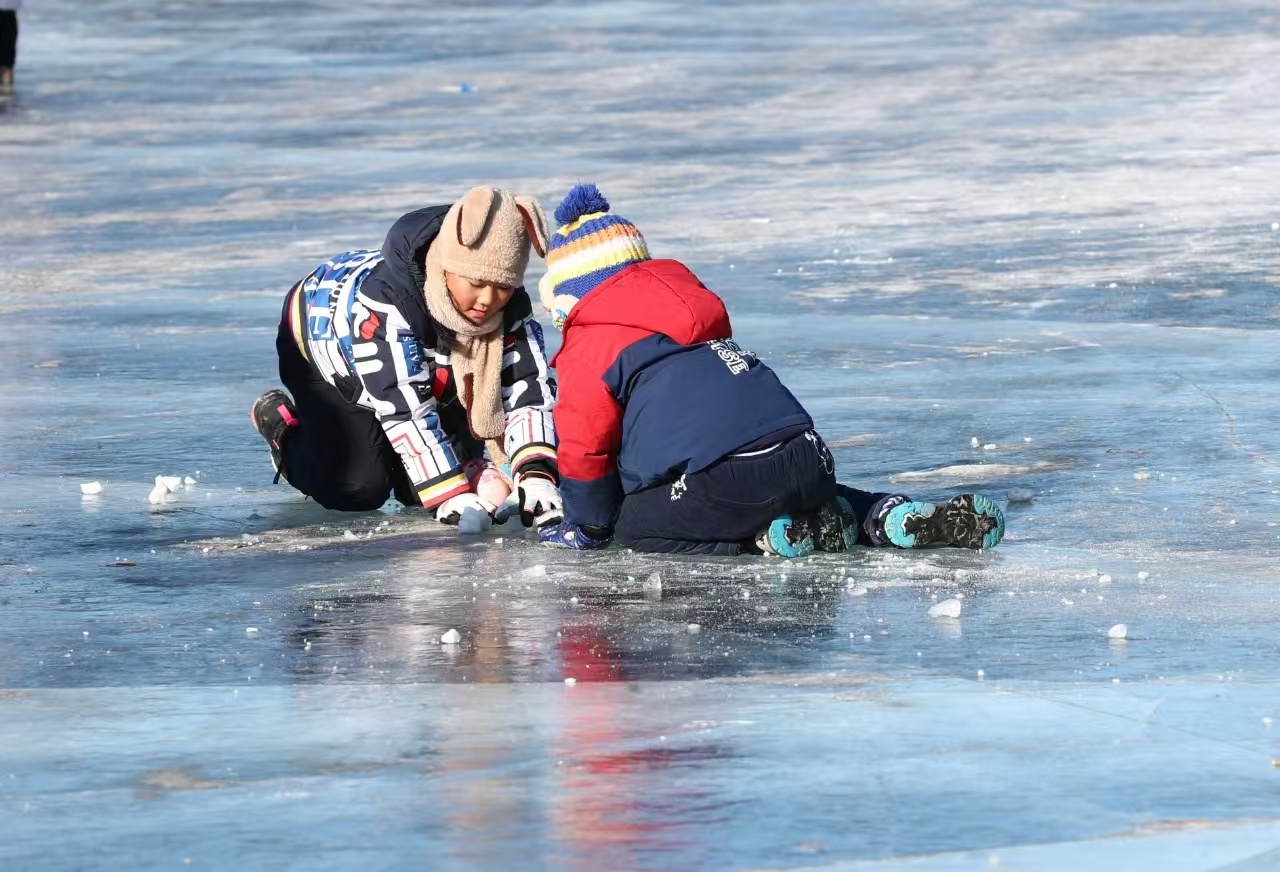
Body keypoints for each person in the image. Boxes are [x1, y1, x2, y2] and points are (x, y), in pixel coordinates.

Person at [533, 183, 1005, 557]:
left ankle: (763, 537)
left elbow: (585, 444)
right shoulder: (696, 328)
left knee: (634, 525)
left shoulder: (590, 343)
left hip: (730, 480)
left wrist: (591, 526)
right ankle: (883, 514)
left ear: (575, 296)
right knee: (778, 481)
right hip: (808, 454)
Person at [251, 186, 564, 529]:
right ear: (448, 267)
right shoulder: (387, 304)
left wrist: (536, 474)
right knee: (360, 487)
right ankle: (286, 433)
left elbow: (528, 391)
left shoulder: (510, 308)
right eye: (476, 282)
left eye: (503, 286)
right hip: (324, 347)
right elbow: (405, 410)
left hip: (434, 367)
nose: (488, 300)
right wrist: (449, 495)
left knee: (419, 486)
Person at [0, 0, 20, 94]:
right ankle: (7, 94)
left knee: (8, 61)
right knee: (7, 62)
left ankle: (7, 93)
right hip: (8, 13)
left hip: (9, 13)